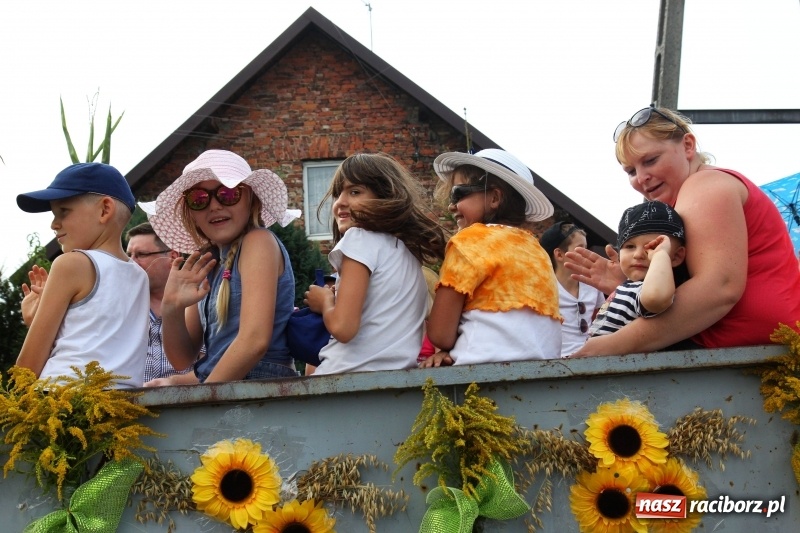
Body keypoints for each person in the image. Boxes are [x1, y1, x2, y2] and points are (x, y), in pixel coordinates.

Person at [566, 105, 800, 355]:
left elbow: (719, 288)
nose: (642, 177)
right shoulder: (694, 193)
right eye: (631, 171)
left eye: (651, 160)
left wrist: (607, 346)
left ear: (688, 145)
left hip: (747, 348)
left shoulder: (706, 184)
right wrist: (631, 287)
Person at [147, 149, 300, 383]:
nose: (215, 206)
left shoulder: (258, 241)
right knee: (157, 384)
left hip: (257, 383)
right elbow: (182, 359)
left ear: (251, 199)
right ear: (191, 213)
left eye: (228, 194)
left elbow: (254, 341)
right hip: (219, 378)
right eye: (199, 199)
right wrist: (171, 306)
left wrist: (207, 399)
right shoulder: (209, 264)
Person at [304, 152, 446, 375]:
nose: (340, 202)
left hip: (344, 376)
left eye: (355, 192)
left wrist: (324, 302)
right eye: (337, 194)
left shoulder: (359, 239)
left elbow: (343, 328)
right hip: (397, 378)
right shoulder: (407, 254)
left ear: (385, 197)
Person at [421, 148, 561, 367]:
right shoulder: (537, 250)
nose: (451, 206)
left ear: (494, 197)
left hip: (478, 373)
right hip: (541, 373)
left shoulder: (469, 241)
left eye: (458, 194)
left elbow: (440, 334)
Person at [15, 162, 148, 388]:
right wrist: (34, 320)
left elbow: (27, 367)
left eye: (63, 211)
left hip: (60, 402)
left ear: (105, 210)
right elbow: (96, 343)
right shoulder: (140, 276)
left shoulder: (71, 264)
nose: (53, 224)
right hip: (121, 408)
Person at [588, 201, 685, 338]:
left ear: (676, 257)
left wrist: (660, 255)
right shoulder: (628, 286)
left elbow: (655, 298)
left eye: (652, 247)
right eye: (629, 246)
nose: (638, 254)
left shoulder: (647, 289)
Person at [125, 222, 197, 385]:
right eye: (128, 255)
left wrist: (172, 383)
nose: (131, 262)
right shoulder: (119, 304)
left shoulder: (199, 300)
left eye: (141, 254)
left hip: (189, 403)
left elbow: (213, 367)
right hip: (127, 405)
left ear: (172, 257)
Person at [539, 221, 606, 356]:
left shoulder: (593, 283)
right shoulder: (543, 287)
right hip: (556, 359)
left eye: (586, 248)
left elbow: (598, 320)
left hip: (590, 356)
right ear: (559, 254)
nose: (586, 253)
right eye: (580, 248)